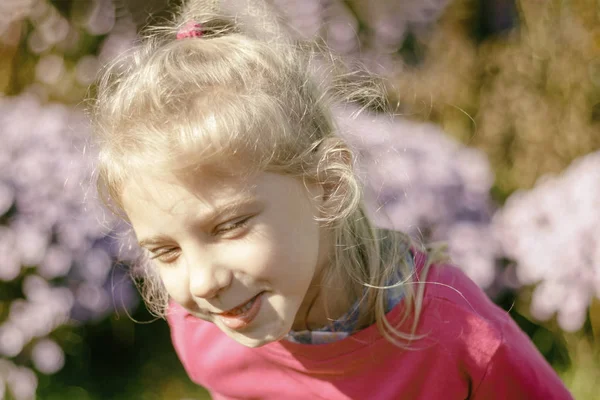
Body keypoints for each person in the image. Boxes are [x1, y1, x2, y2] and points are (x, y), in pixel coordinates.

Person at [90, 1, 574, 398]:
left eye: (229, 225)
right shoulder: (203, 332)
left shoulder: (459, 333)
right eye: (166, 251)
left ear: (327, 182)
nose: (202, 283)